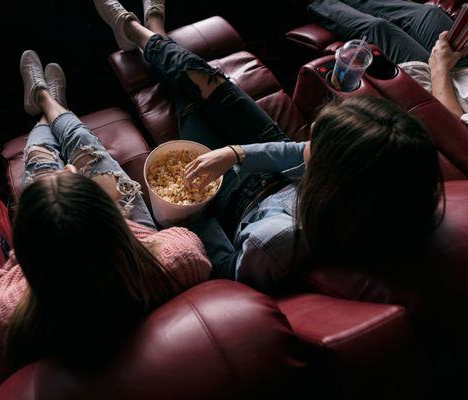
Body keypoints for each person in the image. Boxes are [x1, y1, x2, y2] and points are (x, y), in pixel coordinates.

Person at [93, 0, 444, 292]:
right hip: (272, 155)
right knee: (205, 79)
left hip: (236, 200)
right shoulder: (373, 179)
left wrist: (194, 210)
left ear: (334, 175)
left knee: (190, 102)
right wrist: (238, 153)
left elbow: (228, 269)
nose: (315, 126)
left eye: (320, 139)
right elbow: (300, 153)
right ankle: (145, 31)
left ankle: (144, 31)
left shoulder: (271, 244)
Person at [0, 53, 212, 366]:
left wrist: (35, 235)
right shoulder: (177, 260)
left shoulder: (8, 316)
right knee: (83, 144)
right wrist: (120, 220)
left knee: (39, 160)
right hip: (126, 242)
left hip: (70, 243)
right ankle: (52, 104)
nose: (69, 173)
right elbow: (183, 236)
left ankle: (42, 102)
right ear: (112, 218)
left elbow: (10, 273)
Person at [307, 0, 468, 124]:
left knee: (379, 28)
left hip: (443, 86)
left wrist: (439, 68)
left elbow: (455, 123)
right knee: (430, 12)